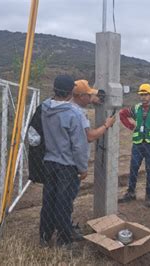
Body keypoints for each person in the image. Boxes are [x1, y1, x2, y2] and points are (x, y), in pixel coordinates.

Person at [39, 74, 89, 248]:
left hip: (49, 162)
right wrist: (83, 168)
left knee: (48, 200)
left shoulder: (44, 107)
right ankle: (64, 242)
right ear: (70, 93)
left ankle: (44, 237)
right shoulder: (73, 113)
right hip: (67, 166)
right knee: (64, 203)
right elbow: (79, 145)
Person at [118, 83, 150, 207]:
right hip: (138, 144)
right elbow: (122, 114)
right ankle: (131, 193)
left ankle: (148, 196)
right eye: (141, 95)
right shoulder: (136, 108)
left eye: (146, 94)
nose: (143, 97)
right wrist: (131, 126)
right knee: (133, 169)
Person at [71, 79, 116, 145]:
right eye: (89, 95)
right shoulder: (79, 113)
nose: (91, 96)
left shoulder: (67, 107)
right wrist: (106, 125)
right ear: (81, 96)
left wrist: (90, 100)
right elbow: (90, 137)